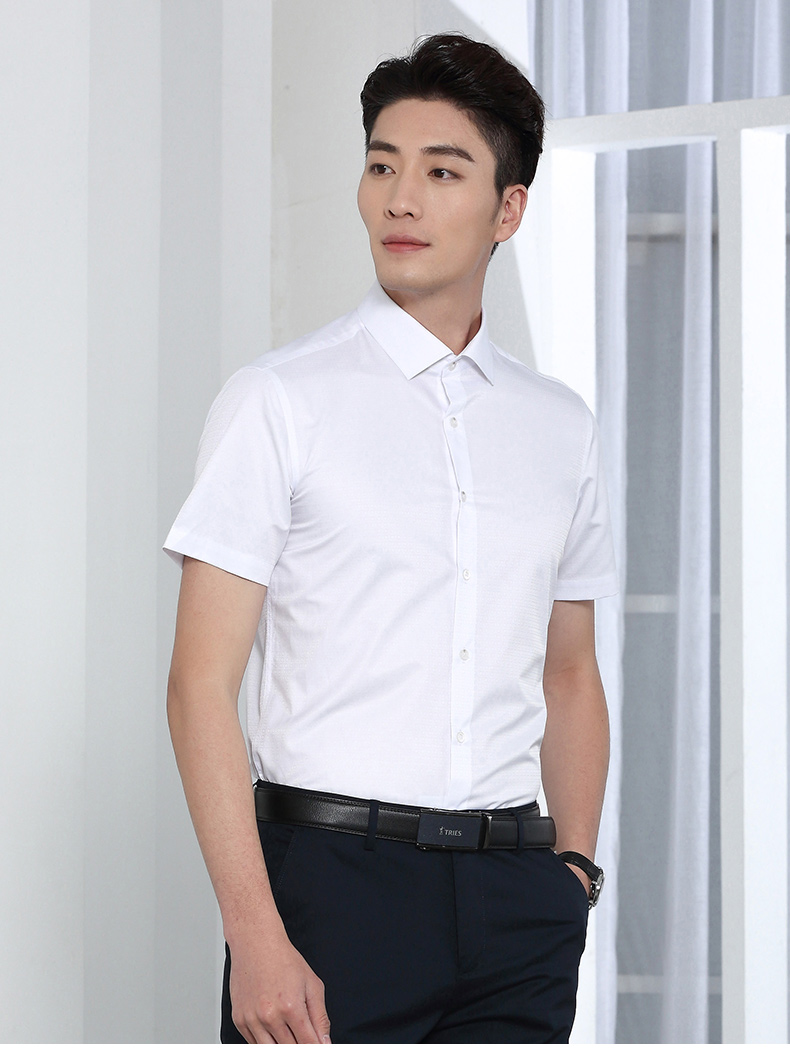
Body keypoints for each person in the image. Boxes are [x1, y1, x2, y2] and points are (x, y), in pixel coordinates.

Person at [164, 33, 617, 1045]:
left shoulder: (560, 427)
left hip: (517, 898)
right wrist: (255, 934)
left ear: (508, 209)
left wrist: (573, 877)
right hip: (331, 891)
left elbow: (570, 672)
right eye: (381, 165)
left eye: (441, 172)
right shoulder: (279, 400)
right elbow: (198, 684)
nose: (399, 199)